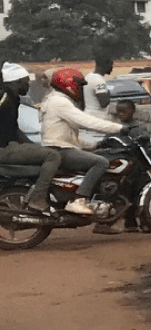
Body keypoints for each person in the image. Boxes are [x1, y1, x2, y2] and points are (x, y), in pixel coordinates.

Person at [38, 67, 132, 217]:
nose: (80, 89)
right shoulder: (60, 102)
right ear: (69, 84)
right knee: (101, 162)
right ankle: (79, 199)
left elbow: (67, 135)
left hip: (59, 148)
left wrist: (94, 145)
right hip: (61, 151)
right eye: (78, 85)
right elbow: (86, 121)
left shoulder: (54, 99)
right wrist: (119, 128)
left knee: (98, 154)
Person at [0, 64, 63, 221]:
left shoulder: (11, 98)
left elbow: (15, 130)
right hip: (3, 149)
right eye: (26, 82)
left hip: (8, 146)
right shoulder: (5, 100)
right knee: (53, 156)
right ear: (16, 82)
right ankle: (38, 198)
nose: (28, 85)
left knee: (44, 154)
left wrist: (33, 148)